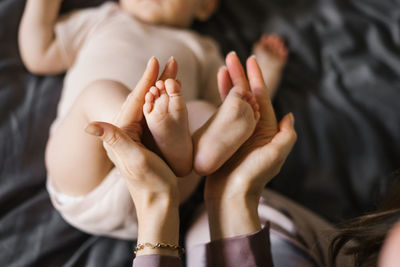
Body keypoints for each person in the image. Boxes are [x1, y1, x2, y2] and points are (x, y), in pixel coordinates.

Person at [88, 53, 400, 267]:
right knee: (203, 111)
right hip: (193, 191)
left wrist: (156, 200)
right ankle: (186, 149)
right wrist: (234, 194)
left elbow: (40, 53)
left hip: (107, 183)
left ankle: (166, 144)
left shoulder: (197, 47)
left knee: (98, 91)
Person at [18, 0, 288, 239]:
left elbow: (232, 108)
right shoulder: (101, 19)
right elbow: (39, 53)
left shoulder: (201, 48)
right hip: (85, 172)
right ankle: (149, 137)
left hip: (161, 191)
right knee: (99, 92)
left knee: (205, 112)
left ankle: (198, 152)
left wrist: (264, 71)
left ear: (205, 5)